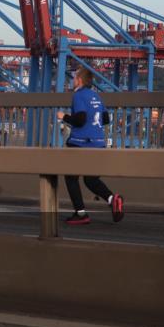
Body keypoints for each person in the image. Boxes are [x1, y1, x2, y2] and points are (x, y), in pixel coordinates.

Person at [57, 68, 124, 226]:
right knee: (90, 179)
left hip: (80, 142)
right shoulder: (96, 96)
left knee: (71, 177)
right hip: (98, 143)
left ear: (80, 80)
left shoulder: (79, 95)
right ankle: (112, 199)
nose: (73, 80)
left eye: (74, 78)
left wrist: (64, 116)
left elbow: (80, 119)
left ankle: (81, 214)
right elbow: (106, 119)